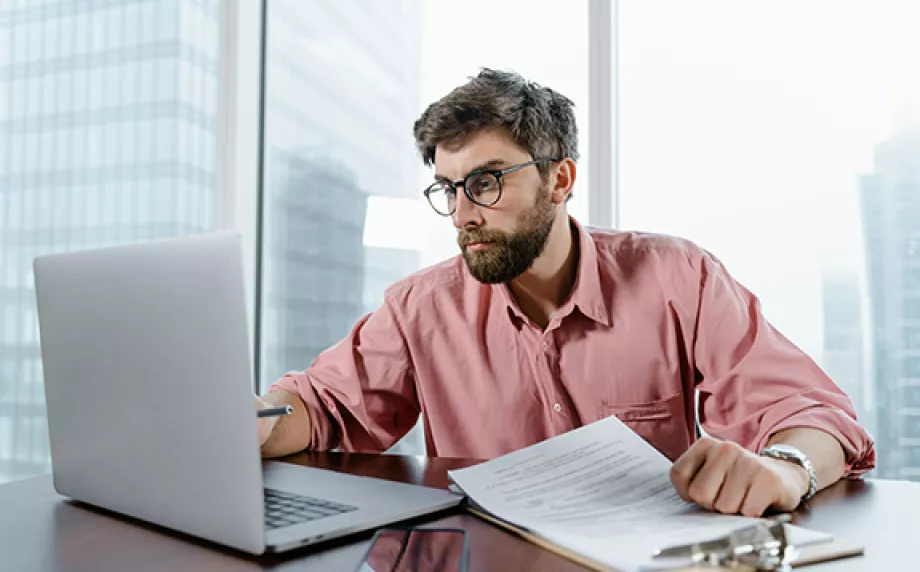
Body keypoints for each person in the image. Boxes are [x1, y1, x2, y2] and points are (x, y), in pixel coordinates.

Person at [256, 68, 875, 518]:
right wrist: (247, 421)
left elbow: (810, 413)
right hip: (492, 569)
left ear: (560, 179)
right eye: (448, 188)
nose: (462, 213)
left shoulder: (677, 277)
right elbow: (320, 407)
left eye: (486, 182)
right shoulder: (420, 307)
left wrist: (785, 468)